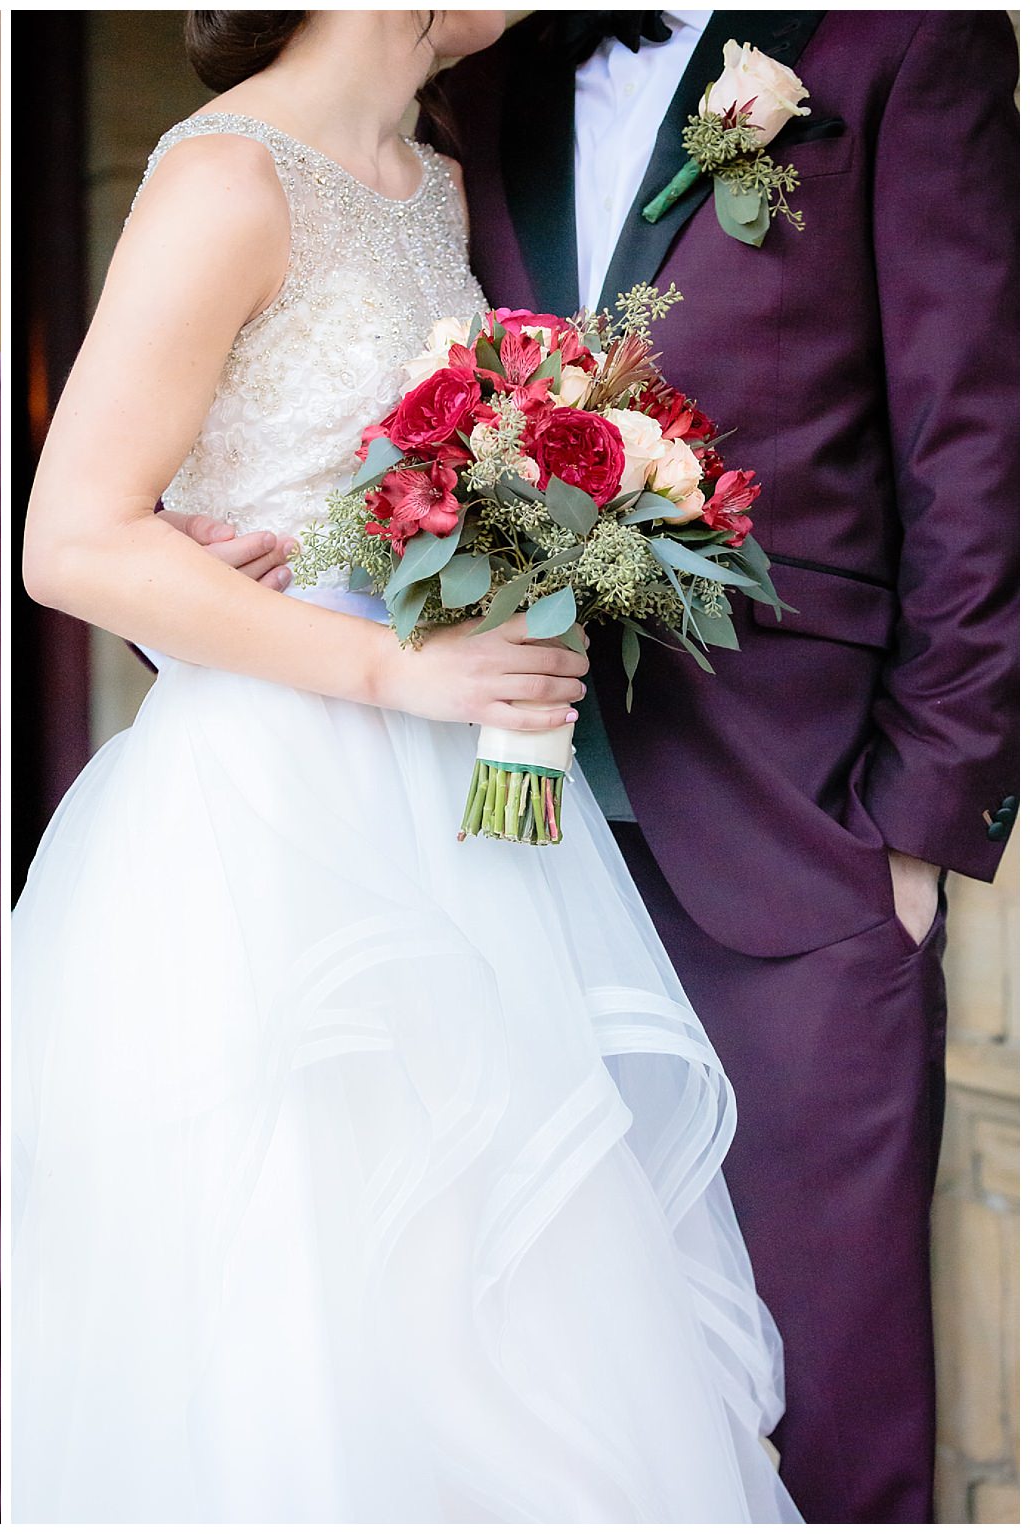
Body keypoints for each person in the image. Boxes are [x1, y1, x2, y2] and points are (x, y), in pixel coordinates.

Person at [13, 11, 795, 1520]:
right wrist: (391, 664)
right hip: (272, 814)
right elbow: (71, 540)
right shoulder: (229, 176)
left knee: (501, 1263)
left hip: (474, 804)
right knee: (305, 1276)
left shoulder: (436, 179)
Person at [404, 10, 1017, 1522]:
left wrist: (920, 819)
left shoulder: (894, 46)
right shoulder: (482, 75)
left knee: (831, 1383)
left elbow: (977, 444)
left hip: (795, 836)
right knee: (554, 1384)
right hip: (500, 847)